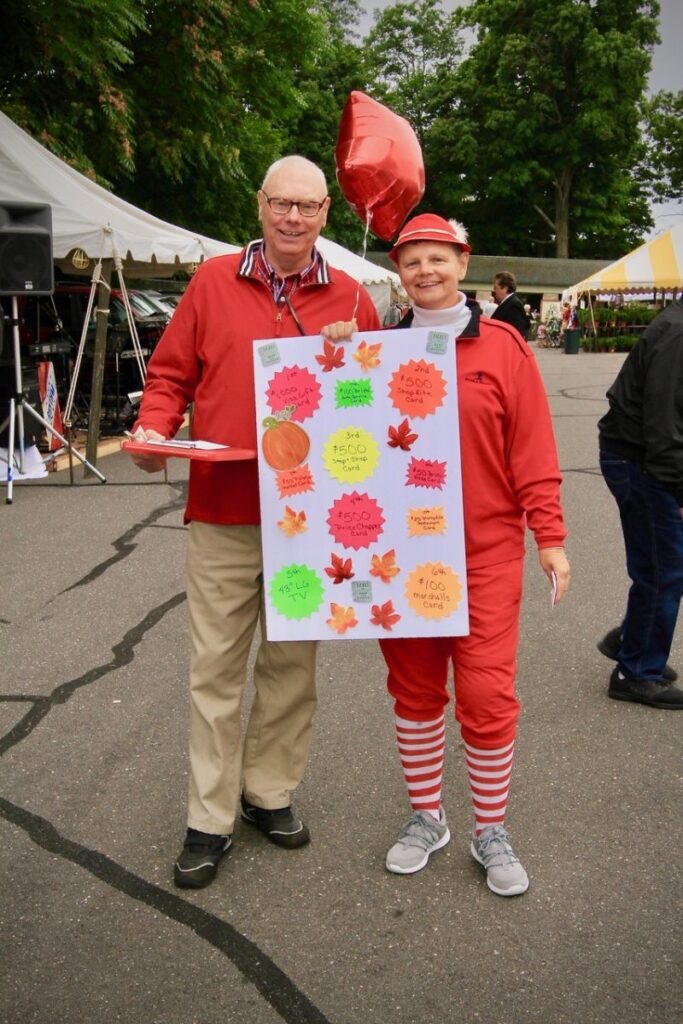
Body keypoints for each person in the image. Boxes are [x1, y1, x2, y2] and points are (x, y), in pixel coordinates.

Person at [130, 155, 381, 889]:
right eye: (282, 203)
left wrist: (355, 363)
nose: (293, 218)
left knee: (291, 666)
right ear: (261, 204)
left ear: (326, 213)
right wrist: (152, 428)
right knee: (214, 670)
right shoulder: (212, 281)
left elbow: (369, 403)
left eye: (308, 206)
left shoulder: (352, 295)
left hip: (307, 520)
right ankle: (208, 819)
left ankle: (267, 791)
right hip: (224, 509)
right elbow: (170, 374)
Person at [324, 214, 570, 897]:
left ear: (462, 262)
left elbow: (532, 449)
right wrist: (333, 353)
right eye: (411, 261)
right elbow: (340, 434)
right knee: (415, 689)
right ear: (398, 273)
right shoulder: (376, 348)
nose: (424, 270)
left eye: (437, 257)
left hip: (484, 551)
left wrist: (549, 538)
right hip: (402, 555)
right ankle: (427, 816)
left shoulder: (504, 347)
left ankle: (490, 828)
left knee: (486, 693)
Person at [597, 298, 683, 709]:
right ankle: (636, 672)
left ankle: (633, 642)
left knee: (659, 565)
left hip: (639, 455)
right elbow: (664, 424)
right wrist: (678, 489)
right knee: (664, 569)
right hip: (642, 460)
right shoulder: (678, 334)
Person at [490, 271, 530, 339]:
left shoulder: (514, 305)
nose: (494, 291)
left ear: (505, 288)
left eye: (496, 288)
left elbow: (515, 334)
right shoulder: (508, 302)